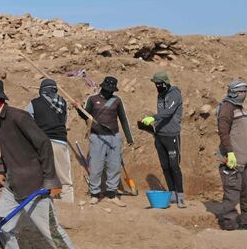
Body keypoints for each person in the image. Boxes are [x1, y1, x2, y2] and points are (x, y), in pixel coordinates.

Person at [0, 78, 89, 249]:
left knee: (51, 232)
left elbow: (44, 144)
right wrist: (2, 169)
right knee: (0, 228)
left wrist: (51, 179)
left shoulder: (19, 117)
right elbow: (5, 148)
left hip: (34, 184)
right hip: (12, 184)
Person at [76, 76, 134, 207]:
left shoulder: (117, 101)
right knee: (96, 166)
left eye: (112, 90)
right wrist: (78, 108)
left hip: (114, 136)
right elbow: (85, 115)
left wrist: (129, 137)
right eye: (108, 89)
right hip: (97, 137)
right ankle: (95, 194)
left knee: (114, 166)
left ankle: (112, 194)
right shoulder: (92, 99)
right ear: (103, 87)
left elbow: (123, 120)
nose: (110, 92)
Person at [216, 80, 247, 231]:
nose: (243, 94)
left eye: (245, 91)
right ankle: (229, 223)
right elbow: (223, 133)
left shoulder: (242, 108)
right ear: (232, 92)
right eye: (240, 91)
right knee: (232, 194)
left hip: (244, 161)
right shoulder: (226, 108)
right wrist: (230, 153)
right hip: (232, 160)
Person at [140, 71, 186, 208]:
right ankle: (172, 195)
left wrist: (153, 118)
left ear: (165, 83)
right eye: (155, 84)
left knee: (174, 166)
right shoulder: (160, 94)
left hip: (172, 135)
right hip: (160, 136)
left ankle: (181, 197)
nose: (157, 87)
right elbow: (161, 114)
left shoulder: (175, 94)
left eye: (159, 84)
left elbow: (167, 113)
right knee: (165, 166)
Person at [26, 78, 74, 203]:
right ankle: (67, 203)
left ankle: (43, 203)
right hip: (61, 143)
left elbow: (27, 124)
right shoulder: (63, 102)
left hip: (42, 144)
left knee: (43, 175)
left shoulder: (34, 103)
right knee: (64, 177)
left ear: (41, 91)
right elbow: (64, 122)